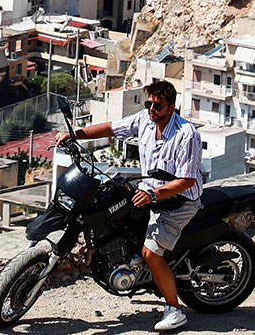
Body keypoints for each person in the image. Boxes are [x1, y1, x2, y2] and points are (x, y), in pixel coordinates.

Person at [55, 79, 202, 332]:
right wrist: (74, 135)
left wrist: (155, 195)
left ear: (172, 106)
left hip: (178, 201)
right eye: (149, 103)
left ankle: (174, 310)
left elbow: (186, 180)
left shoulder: (186, 135)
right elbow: (111, 128)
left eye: (158, 104)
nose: (152, 108)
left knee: (151, 254)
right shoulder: (144, 120)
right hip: (149, 190)